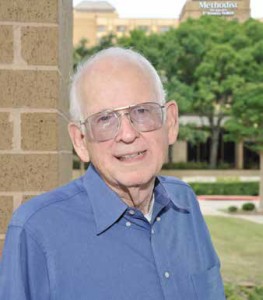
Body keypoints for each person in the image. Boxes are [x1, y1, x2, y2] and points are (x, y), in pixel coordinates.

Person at [0, 47, 225, 299]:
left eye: (142, 111)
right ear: (81, 141)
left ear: (170, 122)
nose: (128, 134)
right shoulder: (35, 230)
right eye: (105, 119)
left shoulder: (184, 202)